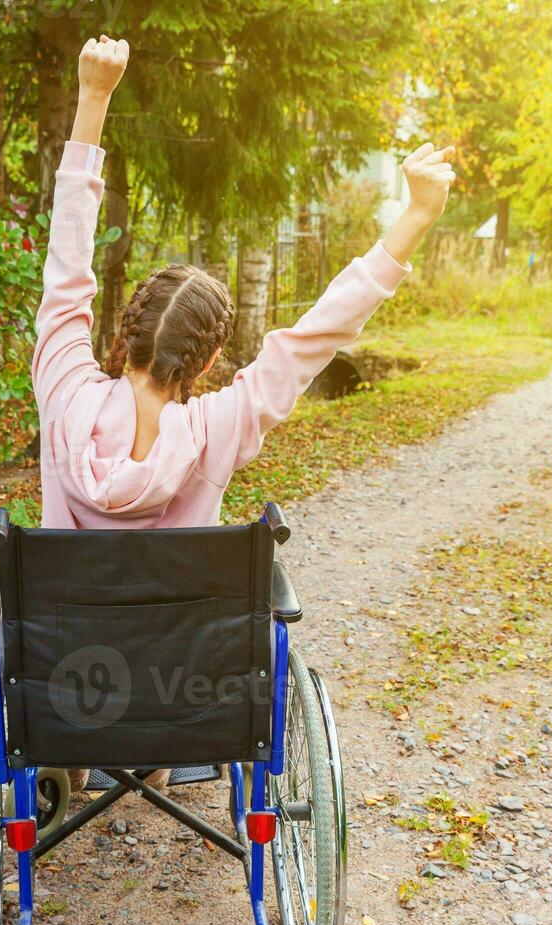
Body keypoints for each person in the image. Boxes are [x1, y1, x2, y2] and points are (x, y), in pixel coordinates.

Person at [35, 35, 455, 791]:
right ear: (205, 362)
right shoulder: (218, 426)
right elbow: (319, 332)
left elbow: (68, 268)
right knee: (174, 633)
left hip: (69, 674)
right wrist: (415, 216)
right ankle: (156, 761)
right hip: (180, 686)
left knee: (72, 624)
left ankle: (67, 764)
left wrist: (94, 98)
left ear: (122, 331)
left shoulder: (62, 389)